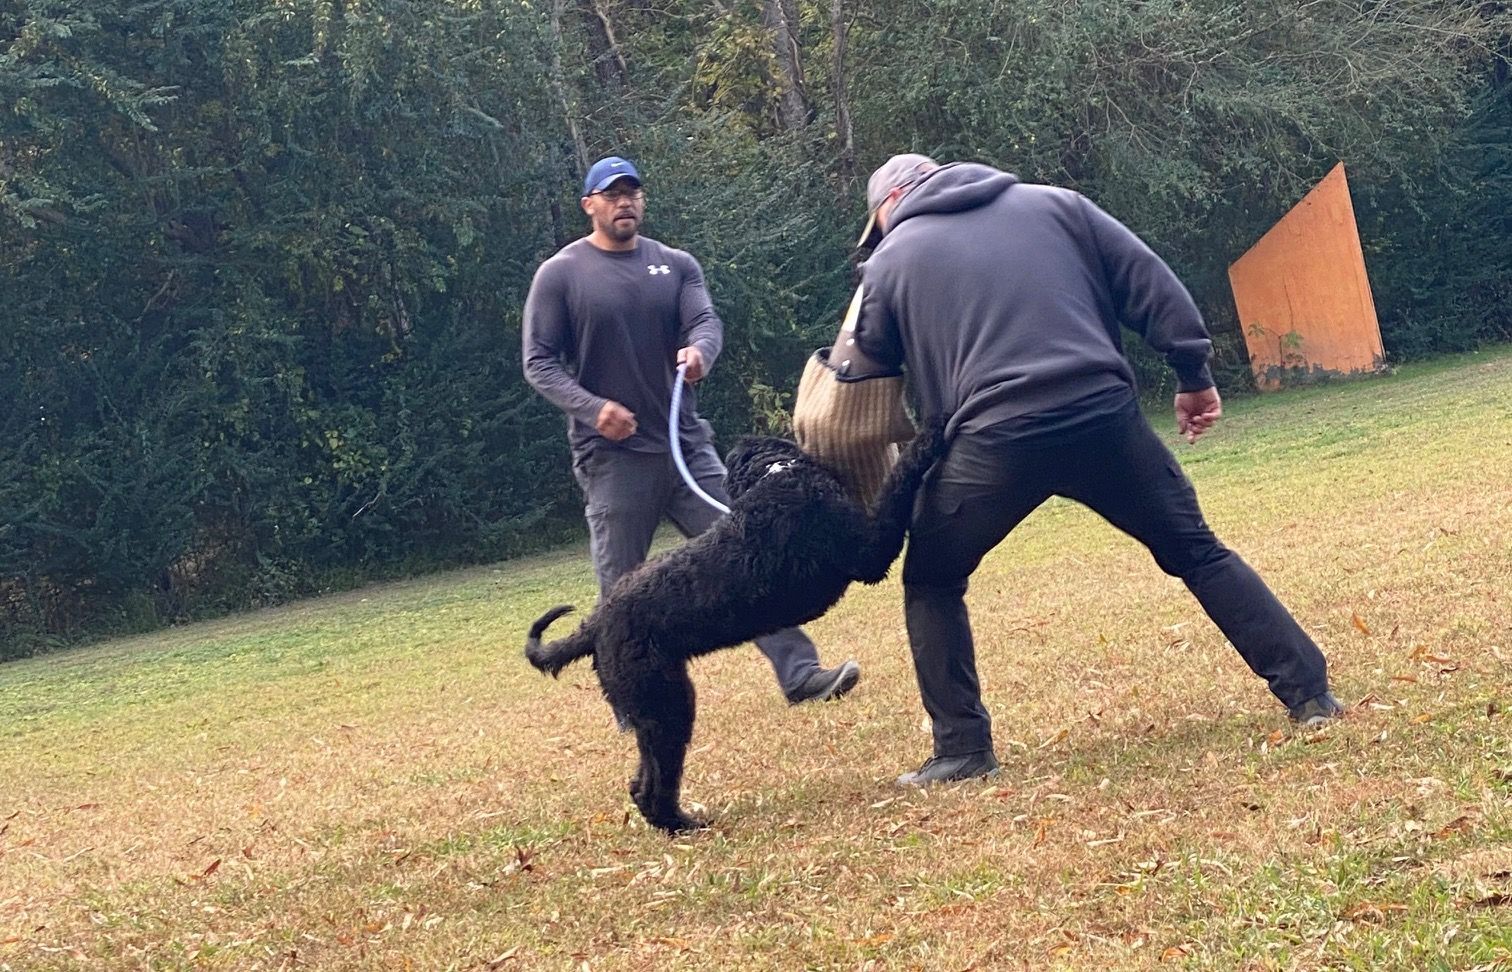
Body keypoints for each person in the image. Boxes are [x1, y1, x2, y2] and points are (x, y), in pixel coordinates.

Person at [837, 154, 1344, 787]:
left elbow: (863, 373)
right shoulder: (1057, 205)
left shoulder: (888, 260)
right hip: (1100, 416)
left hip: (992, 440)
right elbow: (1149, 282)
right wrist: (1192, 373)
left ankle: (963, 750)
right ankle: (1311, 698)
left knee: (933, 580)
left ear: (888, 205)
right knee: (1196, 550)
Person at [523, 155, 860, 706]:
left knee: (753, 557)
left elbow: (705, 321)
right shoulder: (561, 274)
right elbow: (539, 362)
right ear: (590, 206)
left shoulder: (675, 265)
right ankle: (634, 706)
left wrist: (701, 352)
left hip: (688, 448)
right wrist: (592, 408)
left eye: (632, 192)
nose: (624, 201)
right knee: (622, 589)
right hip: (613, 460)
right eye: (611, 194)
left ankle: (802, 675)